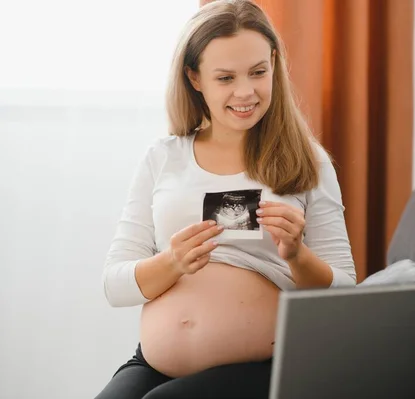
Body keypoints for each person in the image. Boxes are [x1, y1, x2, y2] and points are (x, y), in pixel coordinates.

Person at [95, 0, 356, 398]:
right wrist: (172, 262)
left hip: (264, 365)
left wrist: (297, 255)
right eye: (225, 78)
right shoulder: (163, 158)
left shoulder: (308, 162)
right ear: (194, 78)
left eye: (257, 72)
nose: (245, 92)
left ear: (274, 64)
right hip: (154, 362)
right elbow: (115, 285)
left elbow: (345, 294)